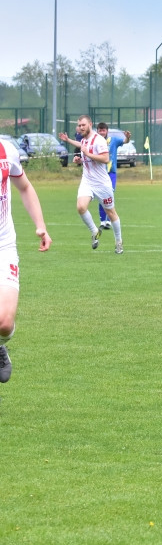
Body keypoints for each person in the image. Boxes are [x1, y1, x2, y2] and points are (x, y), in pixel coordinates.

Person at [0, 136, 52, 383]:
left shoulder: (6, 150)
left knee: (4, 322)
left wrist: (41, 225)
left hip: (3, 245)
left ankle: (1, 345)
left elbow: (25, 187)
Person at [60, 115, 123, 254]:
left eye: (83, 125)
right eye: (79, 125)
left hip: (102, 184)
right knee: (81, 207)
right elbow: (83, 149)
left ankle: (119, 242)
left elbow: (105, 159)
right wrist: (79, 159)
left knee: (111, 213)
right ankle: (95, 231)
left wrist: (87, 154)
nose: (80, 127)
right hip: (87, 181)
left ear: (90, 124)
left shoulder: (99, 140)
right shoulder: (84, 140)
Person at [95, 123, 130, 230]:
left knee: (110, 195)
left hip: (111, 173)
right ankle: (102, 221)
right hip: (100, 174)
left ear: (107, 131)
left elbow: (124, 141)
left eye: (103, 130)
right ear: (97, 131)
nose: (101, 133)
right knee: (101, 196)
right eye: (100, 130)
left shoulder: (113, 141)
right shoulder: (95, 141)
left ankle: (109, 221)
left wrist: (127, 137)